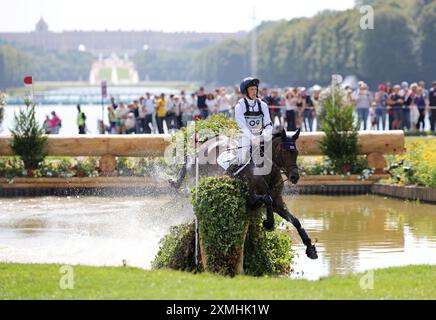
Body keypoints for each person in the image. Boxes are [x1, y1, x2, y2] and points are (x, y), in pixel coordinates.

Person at [227, 77, 273, 177]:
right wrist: (253, 138)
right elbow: (242, 127)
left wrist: (264, 136)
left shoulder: (263, 105)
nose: (254, 91)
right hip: (245, 137)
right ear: (245, 91)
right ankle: (237, 177)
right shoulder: (240, 106)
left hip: (261, 137)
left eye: (255, 89)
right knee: (243, 158)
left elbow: (268, 124)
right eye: (251, 89)